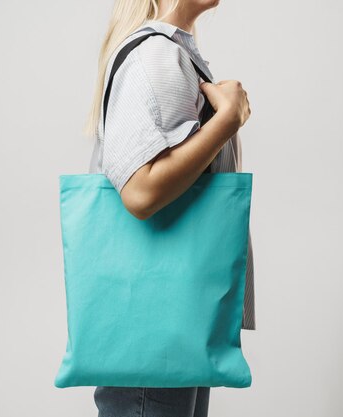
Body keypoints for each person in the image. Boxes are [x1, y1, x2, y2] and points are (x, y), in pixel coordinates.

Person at [83, 1, 253, 415]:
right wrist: (225, 120)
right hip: (156, 333)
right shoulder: (155, 54)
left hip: (168, 326)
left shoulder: (174, 54)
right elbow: (140, 191)